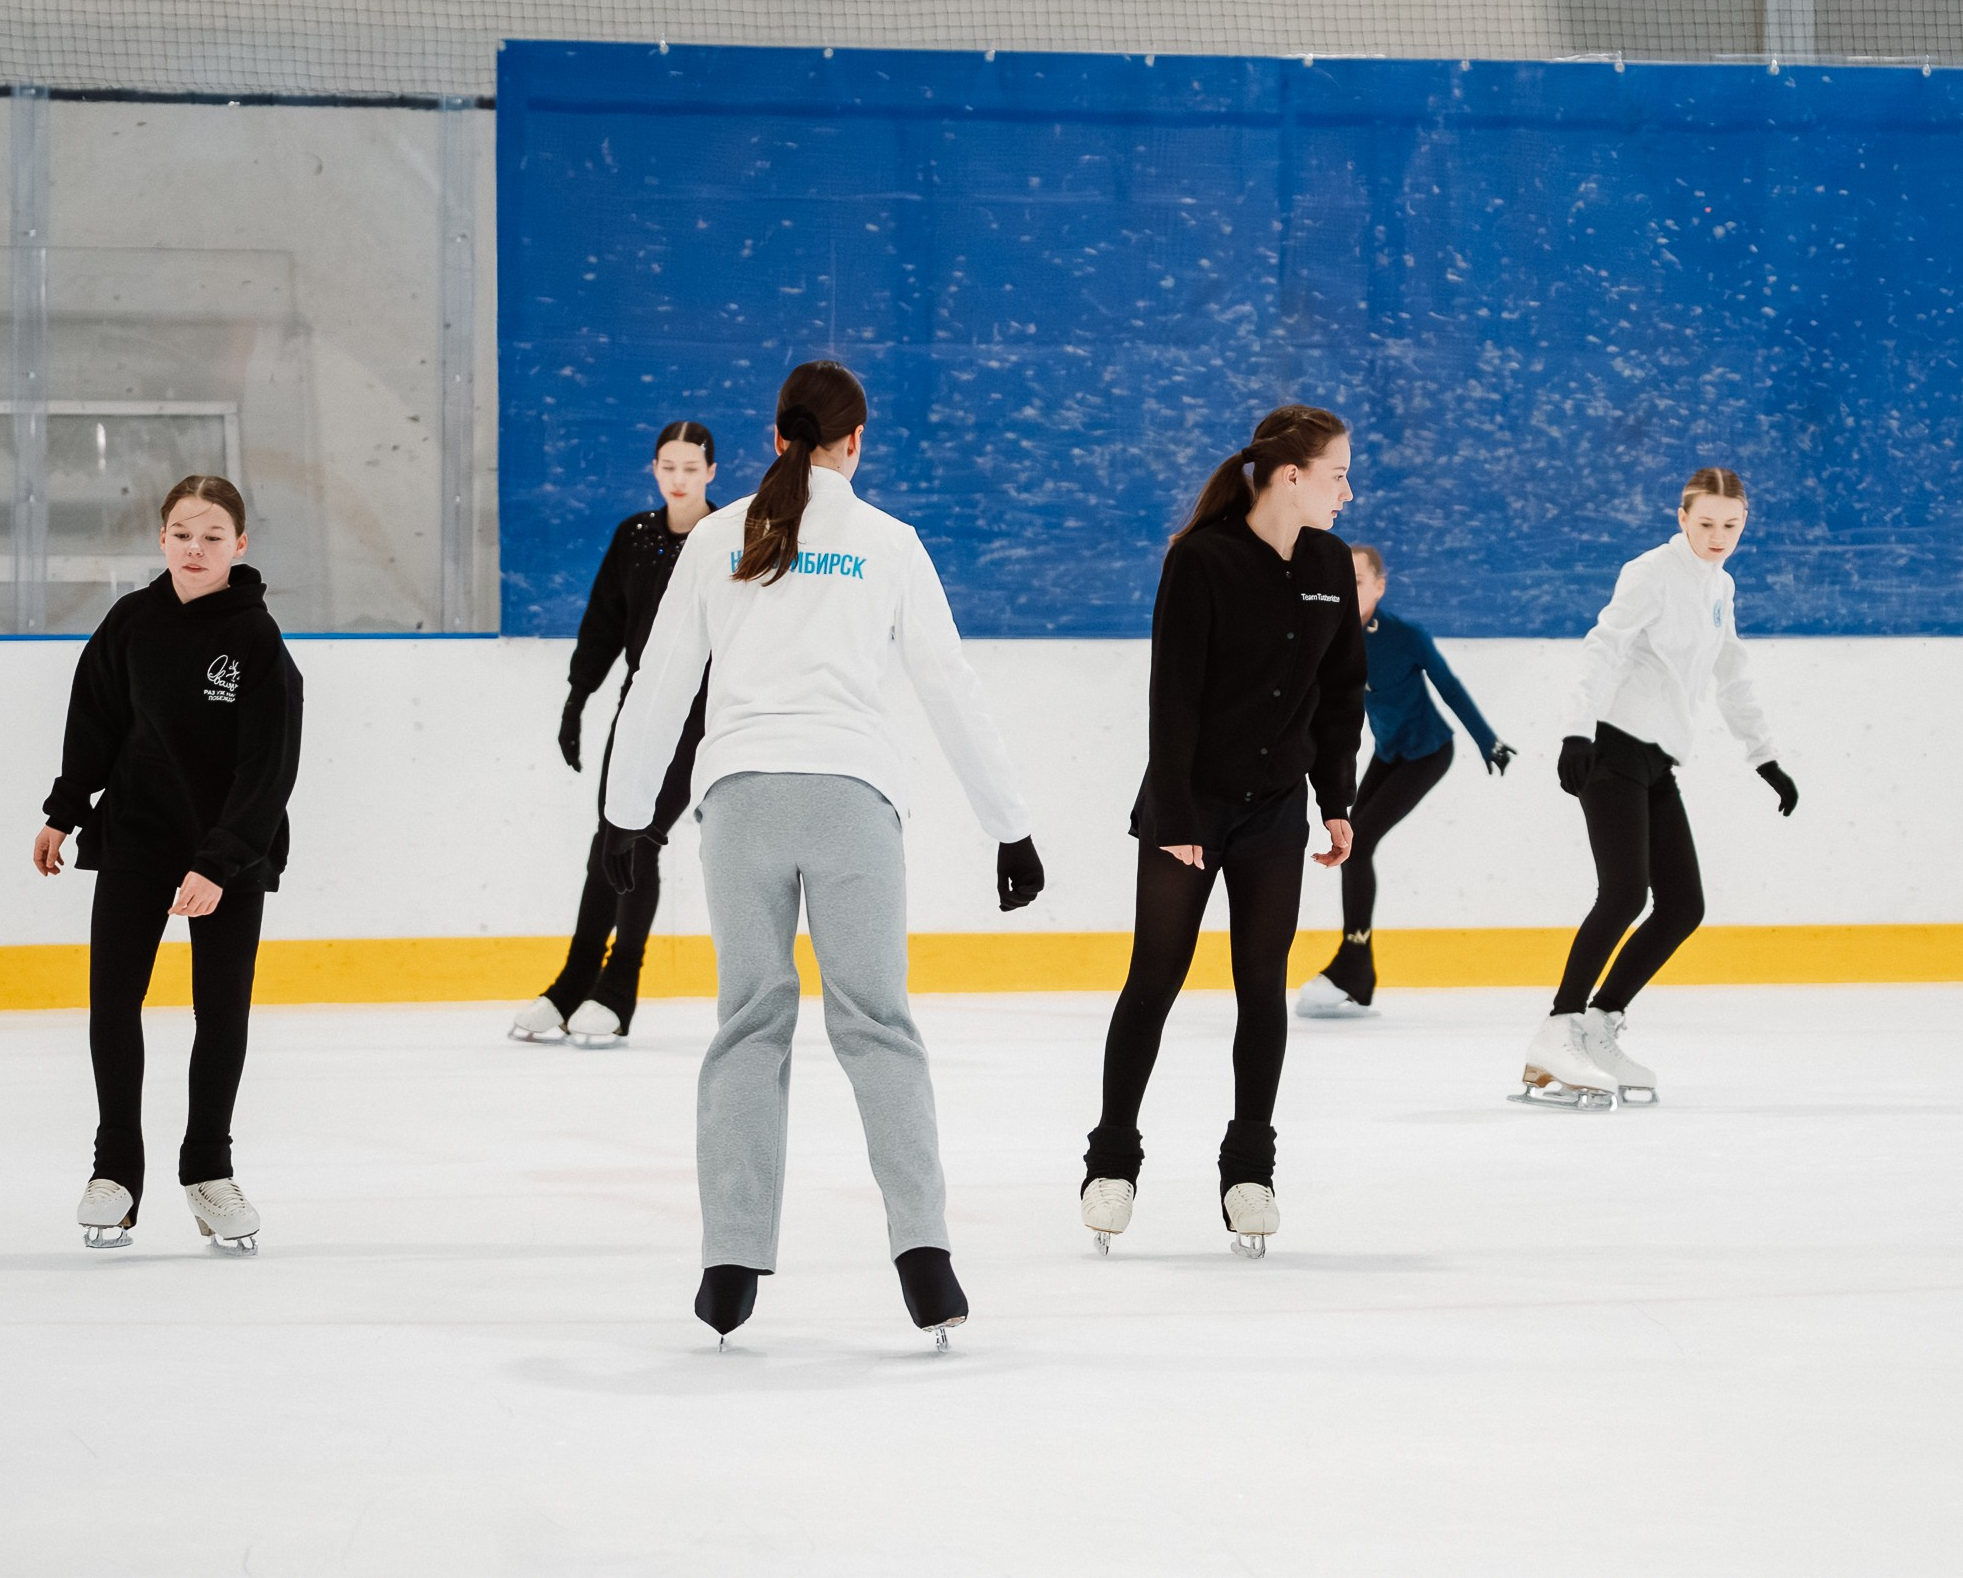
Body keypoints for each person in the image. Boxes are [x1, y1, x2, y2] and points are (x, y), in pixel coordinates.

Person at [603, 360, 1044, 1349]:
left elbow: (658, 680)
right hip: (852, 801)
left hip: (741, 803)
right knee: (877, 1027)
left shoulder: (718, 536)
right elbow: (947, 681)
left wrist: (626, 818)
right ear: (856, 440)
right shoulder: (888, 542)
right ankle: (925, 1255)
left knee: (748, 1026)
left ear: (773, 436)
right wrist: (1007, 823)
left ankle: (729, 1261)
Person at [1080, 404, 1367, 1260]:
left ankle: (1249, 1172)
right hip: (1190, 805)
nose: (1348, 491)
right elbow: (1173, 697)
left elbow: (1339, 693)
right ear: (1290, 476)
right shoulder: (1201, 560)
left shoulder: (1327, 565)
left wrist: (1338, 800)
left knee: (1261, 988)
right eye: (1338, 473)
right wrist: (1173, 815)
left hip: (1275, 811)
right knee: (1155, 978)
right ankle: (1112, 1163)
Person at [35, 475, 304, 1253]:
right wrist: (64, 809)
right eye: (183, 533)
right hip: (135, 841)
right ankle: (115, 1170)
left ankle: (208, 1171)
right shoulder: (131, 622)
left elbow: (269, 767)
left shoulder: (258, 640)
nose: (196, 547)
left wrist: (220, 861)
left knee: (219, 1014)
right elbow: (95, 721)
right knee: (113, 1003)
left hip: (231, 854)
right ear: (162, 540)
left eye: (213, 535)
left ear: (240, 547)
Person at [1522, 466, 1798, 1111]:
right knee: (1623, 893)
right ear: (1682, 517)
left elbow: (1732, 674)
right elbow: (1605, 645)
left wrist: (1765, 757)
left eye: (1731, 525)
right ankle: (1557, 1029)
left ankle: (1599, 1022)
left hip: (1657, 762)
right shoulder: (1650, 571)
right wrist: (1574, 732)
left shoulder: (1721, 586)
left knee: (1681, 907)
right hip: (1612, 750)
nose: (1718, 535)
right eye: (1706, 523)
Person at [510, 421, 718, 1049]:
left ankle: (619, 990)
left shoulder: (725, 537)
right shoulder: (633, 536)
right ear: (654, 469)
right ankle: (574, 981)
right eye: (668, 466)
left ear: (712, 472)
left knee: (643, 837)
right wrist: (578, 698)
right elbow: (604, 618)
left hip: (705, 711)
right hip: (640, 704)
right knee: (610, 838)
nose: (678, 479)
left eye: (691, 468)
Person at [1296, 544, 1516, 1019]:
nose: (1345, 589)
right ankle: (1357, 969)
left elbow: (1449, 686)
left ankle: (1353, 960)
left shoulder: (1404, 636)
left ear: (1379, 586)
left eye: (1355, 581)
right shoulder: (1326, 637)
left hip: (1427, 754)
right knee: (1353, 844)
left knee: (1360, 841)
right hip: (1390, 753)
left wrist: (1488, 741)